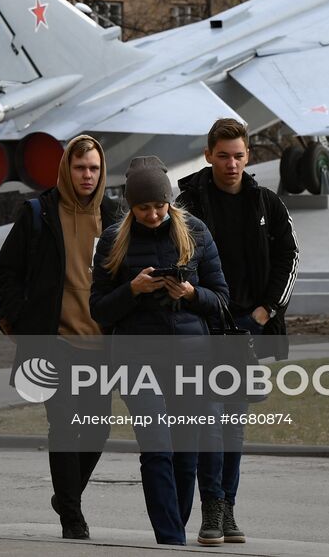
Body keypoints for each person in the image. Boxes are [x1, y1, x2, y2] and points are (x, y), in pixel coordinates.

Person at [90, 155, 229, 547]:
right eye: (143, 207)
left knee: (186, 453)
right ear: (131, 206)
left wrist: (190, 293)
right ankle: (170, 540)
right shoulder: (115, 238)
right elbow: (98, 309)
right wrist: (132, 291)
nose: (153, 215)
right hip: (137, 358)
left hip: (191, 356)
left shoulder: (195, 232)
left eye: (159, 206)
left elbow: (221, 299)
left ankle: (176, 529)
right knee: (156, 447)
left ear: (169, 201)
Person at [177, 118, 299, 546]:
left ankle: (227, 507)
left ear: (249, 157)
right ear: (209, 155)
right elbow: (177, 261)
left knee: (233, 424)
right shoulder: (187, 205)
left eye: (239, 156)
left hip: (250, 328)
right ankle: (211, 506)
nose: (232, 164)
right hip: (204, 328)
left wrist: (267, 311)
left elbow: (289, 256)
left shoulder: (267, 203)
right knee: (209, 421)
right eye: (223, 155)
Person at [0, 134, 119, 540]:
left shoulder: (116, 216)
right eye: (80, 167)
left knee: (97, 428)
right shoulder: (39, 212)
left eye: (94, 168)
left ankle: (67, 494)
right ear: (67, 168)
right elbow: (6, 272)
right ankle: (72, 516)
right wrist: (22, 321)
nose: (87, 175)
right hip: (54, 343)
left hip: (100, 345)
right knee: (64, 427)